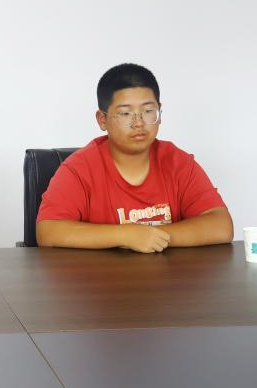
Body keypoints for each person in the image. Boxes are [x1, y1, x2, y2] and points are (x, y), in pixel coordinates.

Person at [36, 63, 233, 253]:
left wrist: (152, 237)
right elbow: (48, 231)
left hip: (167, 275)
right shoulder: (79, 169)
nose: (138, 123)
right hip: (102, 275)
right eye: (125, 113)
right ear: (102, 120)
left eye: (148, 111)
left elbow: (220, 225)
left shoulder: (178, 163)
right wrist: (125, 235)